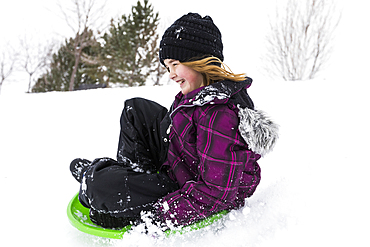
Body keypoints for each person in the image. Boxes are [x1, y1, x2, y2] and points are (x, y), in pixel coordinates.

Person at [70, 13, 278, 231]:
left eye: (174, 64)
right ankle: (131, 176)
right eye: (167, 67)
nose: (170, 74)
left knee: (99, 186)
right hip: (182, 159)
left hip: (191, 187)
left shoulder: (219, 115)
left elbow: (216, 193)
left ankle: (114, 197)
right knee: (136, 110)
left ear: (200, 61)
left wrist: (156, 217)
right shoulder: (200, 95)